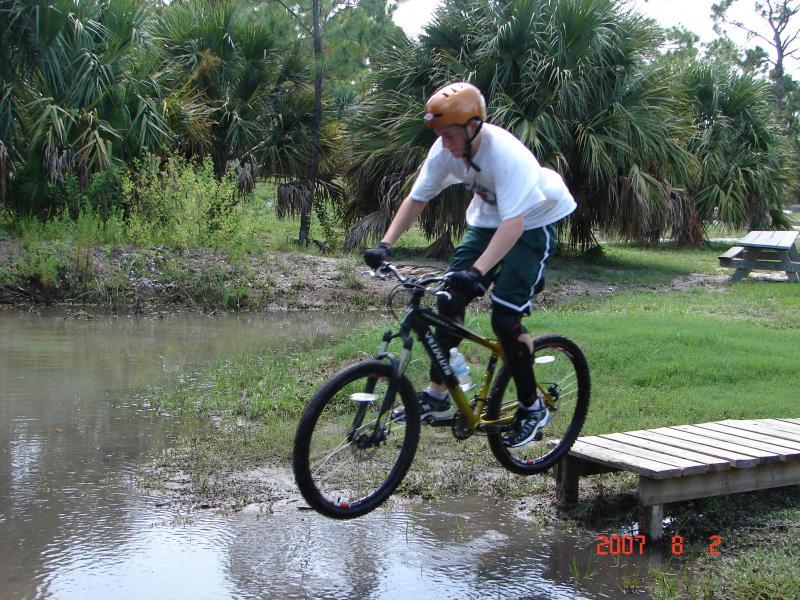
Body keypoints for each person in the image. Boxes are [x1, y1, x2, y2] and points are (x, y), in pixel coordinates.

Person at [363, 82, 576, 448]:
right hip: (487, 220)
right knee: (447, 298)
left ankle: (531, 406)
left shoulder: (506, 155)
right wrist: (385, 244)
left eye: (449, 134)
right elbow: (417, 198)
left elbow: (514, 225)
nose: (443, 142)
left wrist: (477, 273)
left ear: (474, 126)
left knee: (505, 320)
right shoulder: (444, 150)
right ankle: (438, 395)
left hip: (533, 222)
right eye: (438, 134)